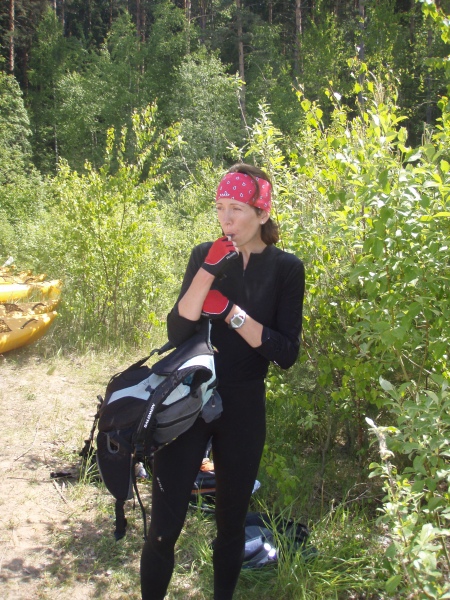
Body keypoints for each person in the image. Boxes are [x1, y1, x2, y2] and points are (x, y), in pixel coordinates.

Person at [140, 163, 305, 600]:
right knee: (164, 526)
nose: (225, 219)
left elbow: (285, 353)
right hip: (188, 396)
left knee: (230, 527)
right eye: (219, 208)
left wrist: (232, 314)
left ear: (262, 213)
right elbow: (179, 330)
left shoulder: (286, 269)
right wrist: (207, 272)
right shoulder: (205, 254)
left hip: (244, 405)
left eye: (236, 209)